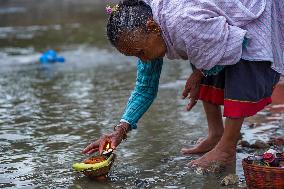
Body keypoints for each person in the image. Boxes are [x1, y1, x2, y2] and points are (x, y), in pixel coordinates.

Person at [82, 0, 284, 168]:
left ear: (153, 27)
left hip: (254, 13)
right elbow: (145, 88)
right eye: (135, 55)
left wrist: (201, 73)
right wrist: (120, 131)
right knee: (202, 56)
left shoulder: (184, 22)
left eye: (140, 53)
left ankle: (227, 148)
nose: (142, 59)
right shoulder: (146, 33)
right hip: (211, 30)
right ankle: (216, 134)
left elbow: (238, 44)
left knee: (236, 64)